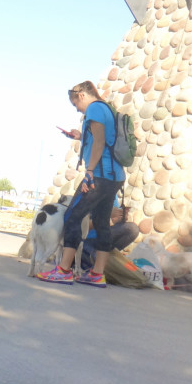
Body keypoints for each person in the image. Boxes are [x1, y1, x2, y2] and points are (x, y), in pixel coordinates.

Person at [38, 81, 126, 288]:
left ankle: (64, 270)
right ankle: (97, 274)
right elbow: (102, 138)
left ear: (82, 96)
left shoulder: (94, 108)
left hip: (99, 175)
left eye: (75, 103)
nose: (76, 108)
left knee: (72, 216)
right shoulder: (106, 108)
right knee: (102, 222)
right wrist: (78, 136)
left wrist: (89, 172)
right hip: (115, 176)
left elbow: (99, 142)